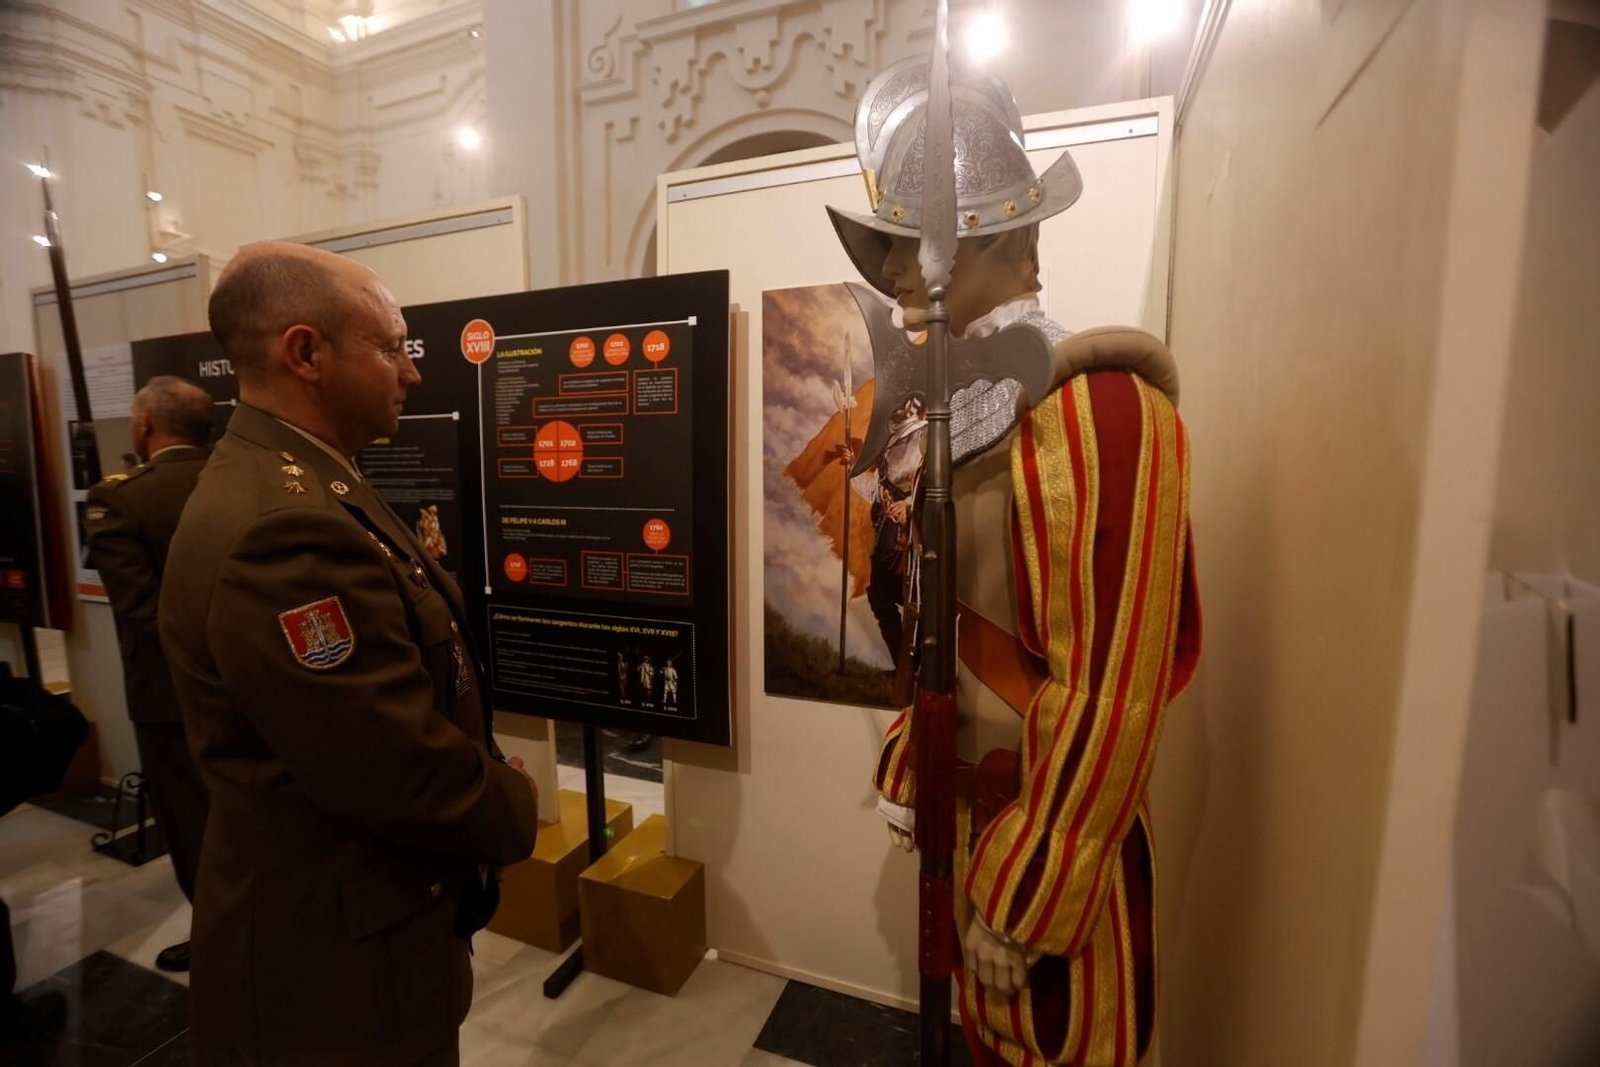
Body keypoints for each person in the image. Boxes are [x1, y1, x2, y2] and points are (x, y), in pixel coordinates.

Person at [829, 58, 1200, 1067]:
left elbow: (1112, 689)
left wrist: (1033, 888)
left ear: (996, 237)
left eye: (917, 245)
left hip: (1051, 864)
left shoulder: (1107, 416)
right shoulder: (957, 420)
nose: (896, 276)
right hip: (970, 819)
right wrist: (919, 755)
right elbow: (943, 625)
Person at [158, 242, 538, 1066]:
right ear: (306, 353)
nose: (410, 372)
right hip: (332, 974)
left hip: (357, 935)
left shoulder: (311, 481)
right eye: (391, 346)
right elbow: (385, 759)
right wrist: (513, 804)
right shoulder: (282, 525)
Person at [85, 375, 215, 973]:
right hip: (255, 681)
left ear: (144, 426)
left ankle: (219, 940)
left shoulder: (121, 498)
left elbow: (141, 614)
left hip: (170, 696)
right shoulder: (234, 478)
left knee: (191, 822)